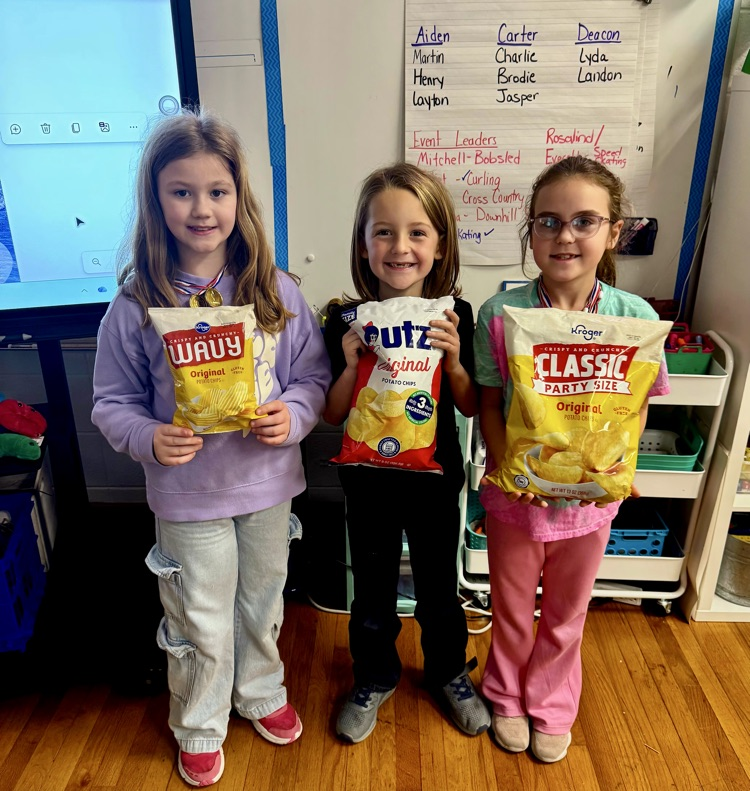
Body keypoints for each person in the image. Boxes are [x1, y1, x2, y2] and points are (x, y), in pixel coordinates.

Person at [91, 107, 331, 787]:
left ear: (239, 196)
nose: (202, 208)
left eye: (217, 191)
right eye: (182, 191)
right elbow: (111, 402)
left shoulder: (275, 291)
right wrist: (147, 436)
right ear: (156, 199)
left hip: (267, 485)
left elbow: (311, 377)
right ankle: (198, 720)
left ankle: (259, 689)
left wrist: (294, 414)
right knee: (198, 612)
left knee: (262, 601)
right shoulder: (136, 304)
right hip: (187, 494)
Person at [473, 155, 670, 763]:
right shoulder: (500, 315)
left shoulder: (634, 319)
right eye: (549, 221)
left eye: (585, 221)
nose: (565, 236)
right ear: (531, 232)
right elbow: (488, 403)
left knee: (566, 612)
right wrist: (508, 470)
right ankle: (505, 695)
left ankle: (552, 702)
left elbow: (638, 405)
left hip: (591, 502)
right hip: (516, 496)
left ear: (614, 233)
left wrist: (624, 470)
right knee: (511, 608)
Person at [323, 162, 491, 743]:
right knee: (371, 592)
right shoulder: (344, 319)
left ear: (439, 244)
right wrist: (350, 365)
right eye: (384, 232)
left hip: (434, 481)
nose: (400, 247)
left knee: (439, 589)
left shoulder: (456, 315)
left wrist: (456, 361)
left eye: (417, 232)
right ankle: (373, 675)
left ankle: (449, 672)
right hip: (367, 482)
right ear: (363, 244)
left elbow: (468, 404)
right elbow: (332, 413)